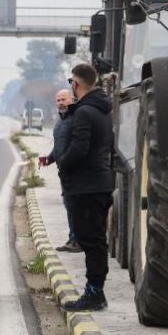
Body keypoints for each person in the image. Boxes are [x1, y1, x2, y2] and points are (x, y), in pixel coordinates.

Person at [58, 63, 114, 311]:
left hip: (86, 186)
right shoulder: (102, 110)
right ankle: (95, 290)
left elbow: (79, 147)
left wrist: (63, 165)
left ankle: (94, 293)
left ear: (75, 84)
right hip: (100, 183)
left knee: (90, 241)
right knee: (96, 240)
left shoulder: (84, 113)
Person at [39, 89, 79, 253]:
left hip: (75, 170)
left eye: (64, 99)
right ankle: (72, 239)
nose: (61, 102)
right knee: (69, 206)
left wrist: (66, 161)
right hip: (64, 171)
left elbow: (77, 145)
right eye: (58, 100)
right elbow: (59, 147)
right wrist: (48, 159)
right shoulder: (60, 122)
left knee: (75, 207)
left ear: (72, 100)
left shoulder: (75, 119)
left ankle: (77, 241)